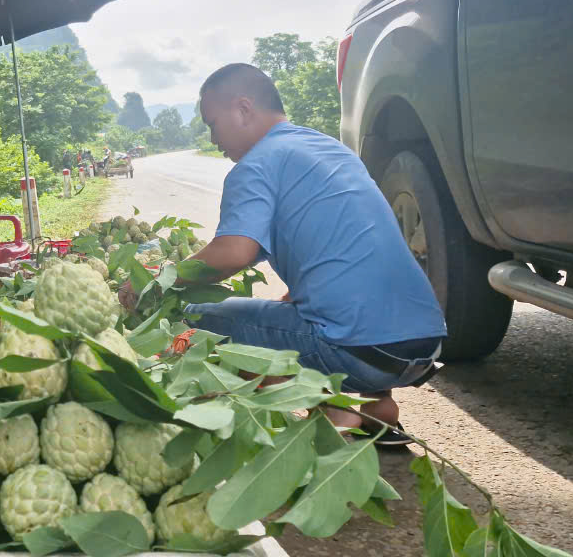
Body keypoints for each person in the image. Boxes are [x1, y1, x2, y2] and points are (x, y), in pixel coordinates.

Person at [162, 63, 445, 445]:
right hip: (422, 345)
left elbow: (232, 253)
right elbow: (348, 247)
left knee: (196, 319)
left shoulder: (255, 166)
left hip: (356, 353)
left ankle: (329, 406)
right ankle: (379, 411)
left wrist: (162, 279)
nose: (213, 138)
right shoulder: (328, 149)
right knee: (308, 312)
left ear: (243, 109)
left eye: (212, 123)